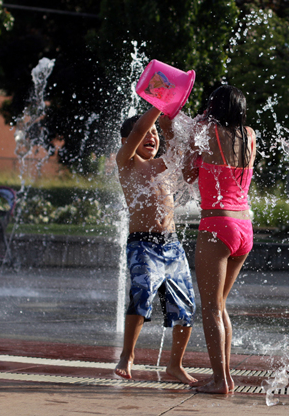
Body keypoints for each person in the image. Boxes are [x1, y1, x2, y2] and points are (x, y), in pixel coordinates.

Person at [114, 107, 197, 384]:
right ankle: (128, 354)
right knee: (142, 293)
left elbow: (178, 149)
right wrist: (158, 105)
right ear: (128, 141)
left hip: (172, 245)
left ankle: (175, 365)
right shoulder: (127, 162)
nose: (151, 136)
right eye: (144, 133)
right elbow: (138, 130)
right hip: (143, 245)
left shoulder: (162, 165)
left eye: (154, 133)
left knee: (185, 306)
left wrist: (170, 118)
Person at [184, 85, 256, 394]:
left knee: (211, 308)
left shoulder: (205, 129)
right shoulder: (249, 135)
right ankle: (224, 378)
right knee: (220, 306)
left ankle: (220, 380)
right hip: (244, 227)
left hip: (217, 224)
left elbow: (188, 173)